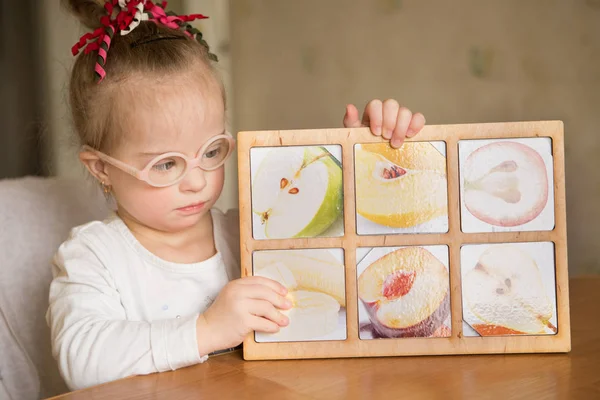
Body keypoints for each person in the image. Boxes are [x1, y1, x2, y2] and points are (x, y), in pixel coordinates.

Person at [46, 0, 427, 391]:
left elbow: (347, 266)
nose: (197, 181)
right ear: (102, 168)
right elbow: (82, 361)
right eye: (165, 164)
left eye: (211, 152)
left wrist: (365, 157)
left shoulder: (244, 233)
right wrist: (207, 329)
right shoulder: (94, 257)